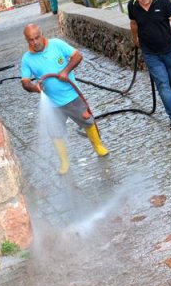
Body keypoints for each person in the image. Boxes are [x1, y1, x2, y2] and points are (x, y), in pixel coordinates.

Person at [21, 23, 108, 175]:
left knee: (87, 120)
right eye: (30, 40)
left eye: (37, 38)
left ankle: (98, 147)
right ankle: (64, 162)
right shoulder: (27, 59)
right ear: (26, 41)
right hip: (52, 103)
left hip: (72, 96)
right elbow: (25, 82)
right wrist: (34, 88)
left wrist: (66, 71)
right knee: (55, 132)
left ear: (42, 34)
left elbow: (77, 55)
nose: (35, 42)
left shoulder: (56, 44)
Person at [128, 0, 171, 129]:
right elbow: (133, 23)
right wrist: (135, 39)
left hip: (168, 49)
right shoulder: (132, 6)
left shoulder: (163, 1)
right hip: (150, 53)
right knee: (162, 83)